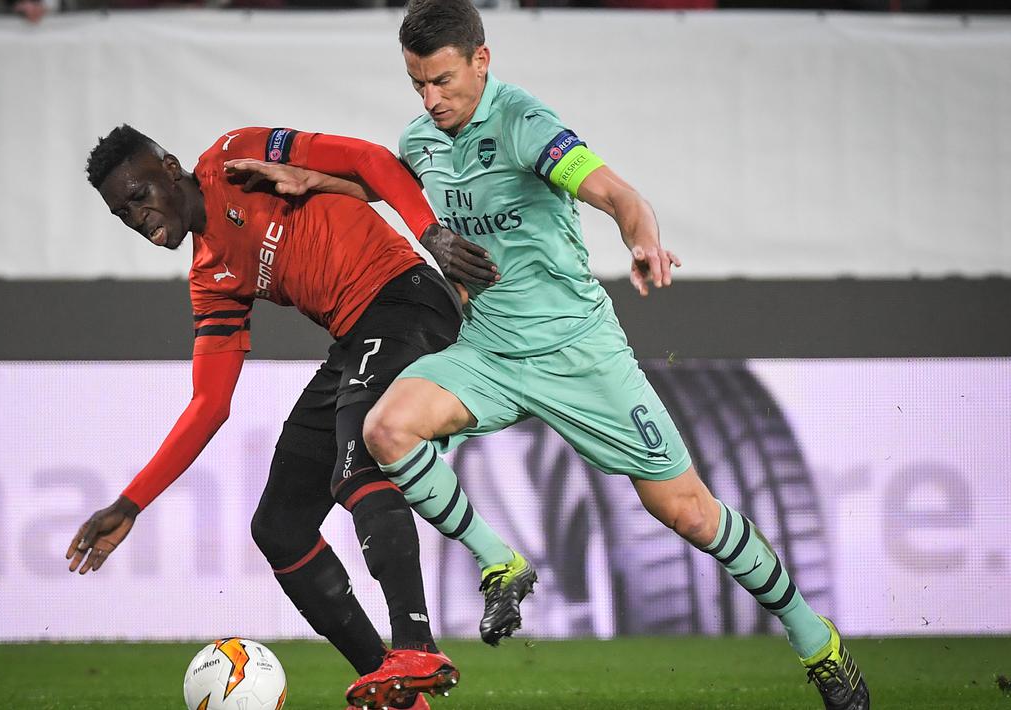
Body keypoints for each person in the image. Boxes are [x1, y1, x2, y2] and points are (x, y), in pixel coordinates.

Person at [225, 2, 869, 708]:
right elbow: (388, 184)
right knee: (385, 428)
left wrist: (641, 239)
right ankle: (501, 561)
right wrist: (314, 180)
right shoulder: (423, 138)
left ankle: (815, 641)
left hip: (577, 353)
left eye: (443, 81)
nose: (432, 100)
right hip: (489, 353)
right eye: (418, 85)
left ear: (481, 59)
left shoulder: (524, 123)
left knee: (686, 513)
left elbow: (617, 194)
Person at [66, 124, 483, 709]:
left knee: (355, 459)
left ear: (170, 163)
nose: (138, 216)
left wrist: (430, 234)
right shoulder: (211, 279)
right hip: (356, 340)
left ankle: (417, 644)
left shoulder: (238, 157)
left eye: (139, 195)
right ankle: (398, 692)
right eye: (122, 213)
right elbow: (209, 405)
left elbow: (367, 160)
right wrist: (131, 502)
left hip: (405, 300)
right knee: (279, 527)